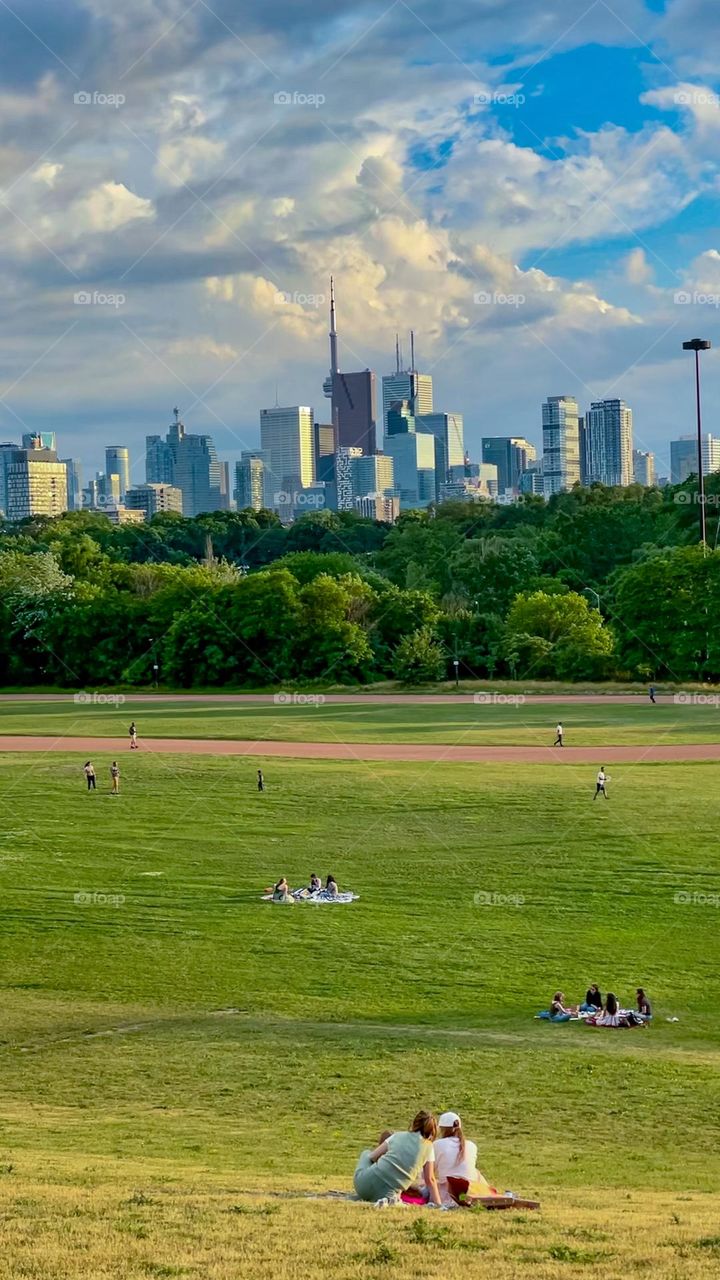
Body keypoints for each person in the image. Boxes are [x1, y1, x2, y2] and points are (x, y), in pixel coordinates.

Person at [353, 1111, 442, 1206]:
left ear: (414, 1123)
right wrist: (438, 1204)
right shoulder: (428, 1147)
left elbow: (373, 1156)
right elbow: (430, 1179)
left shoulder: (397, 1135)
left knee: (366, 1153)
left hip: (363, 1186)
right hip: (387, 1194)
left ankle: (371, 1185)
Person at [433, 1111, 490, 1208]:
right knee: (477, 1173)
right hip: (471, 1192)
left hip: (447, 1195)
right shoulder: (471, 1145)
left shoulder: (437, 1144)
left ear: (442, 1129)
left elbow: (429, 1173)